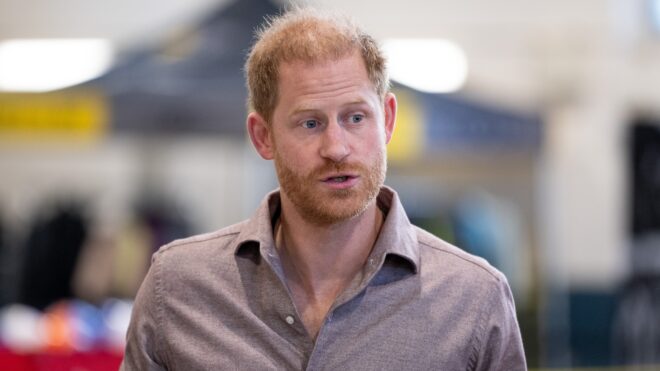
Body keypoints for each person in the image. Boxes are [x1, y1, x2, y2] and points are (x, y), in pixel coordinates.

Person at [121, 7, 526, 371]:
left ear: (386, 119)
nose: (336, 148)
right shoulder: (176, 289)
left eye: (355, 117)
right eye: (310, 123)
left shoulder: (474, 300)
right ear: (263, 136)